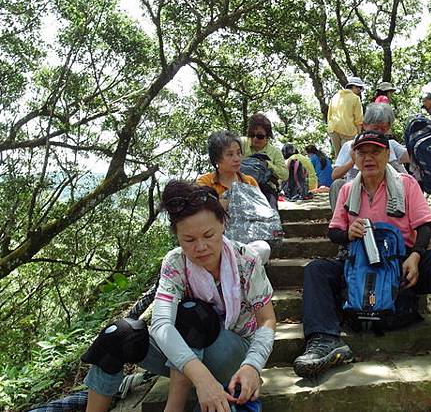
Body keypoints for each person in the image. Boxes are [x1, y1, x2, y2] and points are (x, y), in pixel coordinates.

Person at [292, 130, 431, 379]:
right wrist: (348, 234)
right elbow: (334, 232)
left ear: (387, 154)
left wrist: (416, 255)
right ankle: (324, 340)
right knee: (316, 270)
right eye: (362, 153)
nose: (368, 158)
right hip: (360, 267)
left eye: (375, 151)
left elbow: (425, 225)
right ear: (354, 157)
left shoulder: (406, 184)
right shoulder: (346, 190)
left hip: (402, 270)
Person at [83, 182, 276, 412]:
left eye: (208, 235)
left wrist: (252, 366)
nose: (201, 247)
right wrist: (202, 378)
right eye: (189, 240)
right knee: (120, 335)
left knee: (191, 313)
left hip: (232, 352)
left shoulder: (247, 260)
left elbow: (267, 320)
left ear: (222, 224)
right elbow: (161, 324)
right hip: (190, 359)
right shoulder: (175, 263)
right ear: (177, 236)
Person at [329, 102, 410, 210]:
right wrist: (355, 159)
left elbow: (412, 157)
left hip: (388, 192)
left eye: (384, 129)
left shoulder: (391, 145)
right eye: (376, 128)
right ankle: (341, 223)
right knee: (337, 184)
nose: (380, 133)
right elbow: (335, 175)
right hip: (357, 194)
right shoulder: (350, 146)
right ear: (365, 125)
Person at [197, 130, 260, 208]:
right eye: (230, 154)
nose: (237, 159)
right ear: (216, 159)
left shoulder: (250, 182)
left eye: (238, 153)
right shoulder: (205, 182)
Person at [240, 113, 288, 208]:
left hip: (266, 190)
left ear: (268, 136)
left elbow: (284, 175)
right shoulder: (241, 143)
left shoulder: (275, 152)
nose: (255, 139)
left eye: (260, 136)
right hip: (242, 187)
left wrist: (267, 165)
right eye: (252, 135)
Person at [327, 76, 365, 157]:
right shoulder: (356, 98)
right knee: (347, 157)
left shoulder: (335, 96)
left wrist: (330, 128)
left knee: (338, 157)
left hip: (333, 129)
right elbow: (359, 119)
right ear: (353, 86)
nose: (359, 90)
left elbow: (329, 114)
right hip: (348, 131)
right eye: (359, 87)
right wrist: (359, 135)